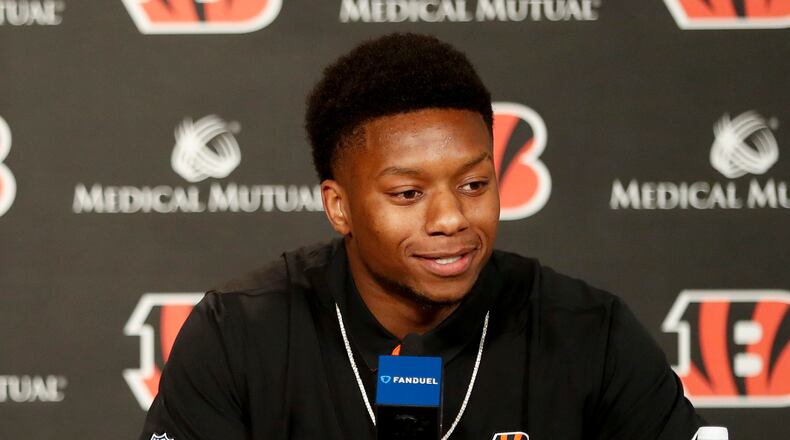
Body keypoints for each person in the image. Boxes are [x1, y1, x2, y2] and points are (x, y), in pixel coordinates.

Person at [138, 33, 705, 440]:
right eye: (408, 194)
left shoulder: (590, 333)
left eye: (475, 183)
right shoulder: (238, 335)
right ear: (339, 207)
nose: (451, 218)